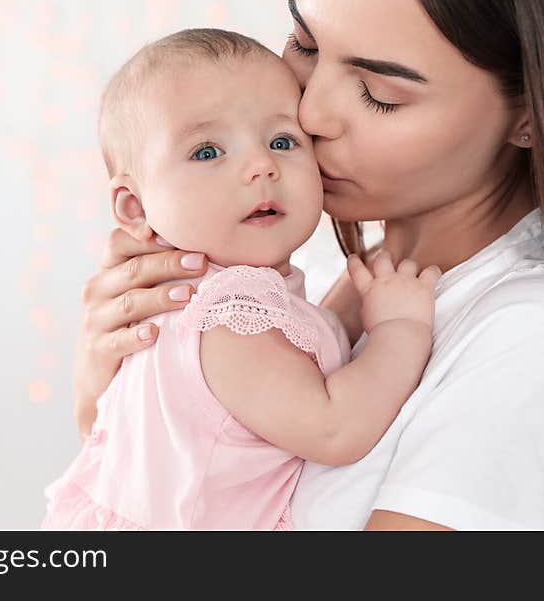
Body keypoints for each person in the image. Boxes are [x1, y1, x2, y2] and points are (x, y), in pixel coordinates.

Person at [72, 0, 544, 530]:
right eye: (303, 43)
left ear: (535, 110)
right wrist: (114, 398)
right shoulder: (329, 285)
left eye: (380, 93)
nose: (308, 115)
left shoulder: (543, 346)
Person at [41, 28, 442, 530]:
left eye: (282, 141)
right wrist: (399, 331)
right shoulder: (229, 312)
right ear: (135, 207)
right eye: (207, 152)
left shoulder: (191, 296)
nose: (261, 166)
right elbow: (336, 429)